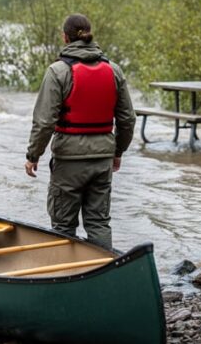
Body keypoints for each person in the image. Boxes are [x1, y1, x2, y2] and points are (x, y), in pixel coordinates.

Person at [24, 13, 136, 249]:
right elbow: (127, 119)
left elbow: (44, 122)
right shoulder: (114, 70)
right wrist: (118, 151)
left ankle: (66, 276)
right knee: (99, 222)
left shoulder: (57, 71)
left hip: (69, 160)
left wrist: (33, 155)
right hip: (102, 159)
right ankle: (105, 274)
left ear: (65, 37)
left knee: (63, 224)